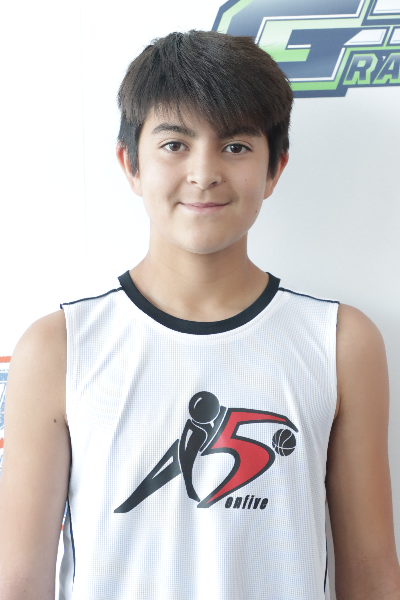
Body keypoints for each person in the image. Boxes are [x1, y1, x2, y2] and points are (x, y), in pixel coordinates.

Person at [0, 29, 399, 600]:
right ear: (131, 164)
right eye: (174, 144)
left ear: (275, 168)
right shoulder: (58, 347)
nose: (204, 172)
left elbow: (372, 574)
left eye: (235, 147)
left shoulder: (339, 342)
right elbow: (18, 581)